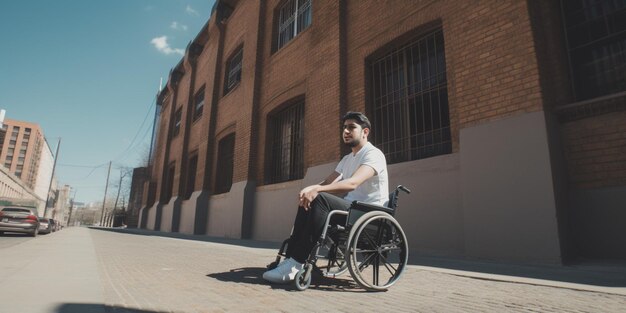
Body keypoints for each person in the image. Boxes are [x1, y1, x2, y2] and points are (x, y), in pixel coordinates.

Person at [263, 111, 388, 284]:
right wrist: (312, 188)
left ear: (365, 132)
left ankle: (296, 263)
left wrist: (318, 191)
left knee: (320, 199)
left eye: (352, 127)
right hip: (351, 210)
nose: (346, 131)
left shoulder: (373, 154)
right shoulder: (347, 159)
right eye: (344, 127)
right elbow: (329, 181)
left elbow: (352, 183)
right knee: (308, 199)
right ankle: (291, 258)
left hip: (368, 213)